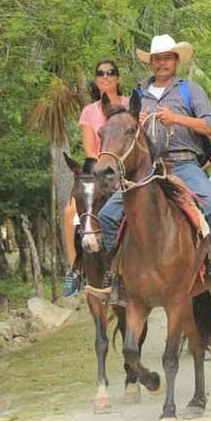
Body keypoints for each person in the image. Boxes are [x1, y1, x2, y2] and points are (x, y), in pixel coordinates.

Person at [98, 34, 211, 303]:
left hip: (184, 163)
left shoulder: (190, 90)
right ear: (151, 62)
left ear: (176, 61)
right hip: (147, 170)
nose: (162, 63)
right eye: (157, 59)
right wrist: (135, 121)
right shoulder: (137, 94)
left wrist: (176, 118)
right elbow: (124, 131)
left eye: (167, 58)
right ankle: (115, 278)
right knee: (106, 215)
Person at [61, 60, 129, 297]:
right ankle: (75, 271)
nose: (106, 76)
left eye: (111, 72)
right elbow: (90, 149)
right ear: (96, 79)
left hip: (128, 168)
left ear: (118, 78)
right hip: (99, 171)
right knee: (70, 213)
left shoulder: (130, 104)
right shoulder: (89, 111)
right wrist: (104, 172)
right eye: (100, 73)